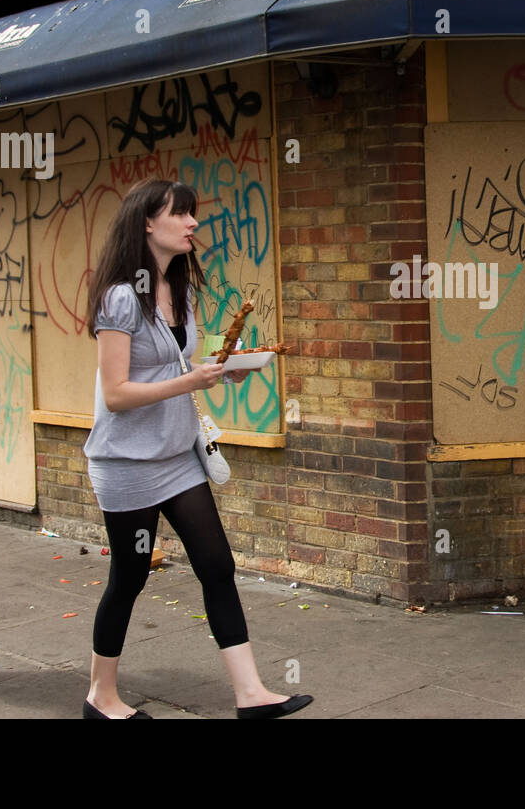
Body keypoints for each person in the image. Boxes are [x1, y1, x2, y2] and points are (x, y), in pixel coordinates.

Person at [82, 178, 311, 719]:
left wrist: (226, 368)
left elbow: (187, 361)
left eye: (193, 215)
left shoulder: (180, 289)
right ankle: (101, 695)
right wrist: (192, 383)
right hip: (128, 463)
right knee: (130, 577)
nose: (193, 224)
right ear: (146, 223)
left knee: (216, 565)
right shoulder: (120, 296)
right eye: (180, 214)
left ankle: (251, 694)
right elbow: (116, 394)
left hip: (178, 455)